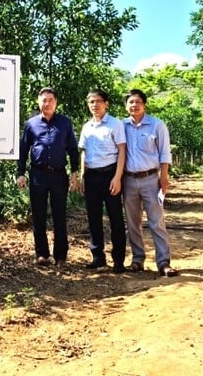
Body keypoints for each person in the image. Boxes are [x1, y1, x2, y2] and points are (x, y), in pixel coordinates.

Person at [17, 87, 79, 266]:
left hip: (59, 175)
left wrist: (75, 172)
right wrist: (20, 173)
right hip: (38, 175)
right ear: (39, 102)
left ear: (56, 102)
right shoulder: (31, 124)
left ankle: (60, 256)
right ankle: (42, 254)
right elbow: (23, 150)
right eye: (44, 100)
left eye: (50, 100)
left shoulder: (65, 123)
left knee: (60, 215)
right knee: (38, 215)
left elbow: (72, 149)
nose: (47, 103)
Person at [122, 89, 178, 277]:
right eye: (130, 102)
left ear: (144, 105)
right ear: (126, 105)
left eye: (138, 102)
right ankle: (138, 259)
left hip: (151, 179)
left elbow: (164, 153)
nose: (134, 105)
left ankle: (163, 262)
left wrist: (164, 177)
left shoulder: (156, 125)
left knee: (156, 221)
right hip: (128, 180)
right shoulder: (121, 126)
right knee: (133, 222)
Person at [78, 89, 127, 273]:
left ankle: (119, 260)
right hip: (91, 176)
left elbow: (122, 150)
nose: (94, 105)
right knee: (93, 218)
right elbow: (84, 152)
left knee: (115, 218)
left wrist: (117, 177)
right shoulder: (86, 127)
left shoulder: (115, 124)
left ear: (106, 103)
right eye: (91, 102)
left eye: (98, 101)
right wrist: (83, 175)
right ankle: (98, 257)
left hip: (110, 175)